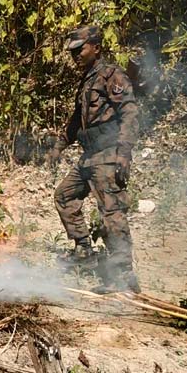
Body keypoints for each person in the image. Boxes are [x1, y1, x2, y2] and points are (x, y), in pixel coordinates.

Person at [47, 25, 141, 294]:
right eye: (72, 52)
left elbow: (130, 113)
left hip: (108, 156)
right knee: (64, 196)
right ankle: (84, 250)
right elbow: (77, 120)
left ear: (96, 48)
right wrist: (59, 146)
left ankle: (123, 276)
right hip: (89, 157)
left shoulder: (111, 76)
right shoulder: (87, 80)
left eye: (80, 50)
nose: (74, 56)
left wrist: (124, 153)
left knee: (112, 215)